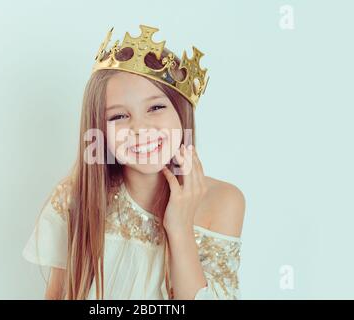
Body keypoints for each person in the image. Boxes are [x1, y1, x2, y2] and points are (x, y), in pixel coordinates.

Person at [22, 24, 245, 300]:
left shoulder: (223, 201)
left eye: (156, 107)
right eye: (118, 116)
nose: (140, 128)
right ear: (100, 131)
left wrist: (179, 227)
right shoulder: (75, 197)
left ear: (181, 112)